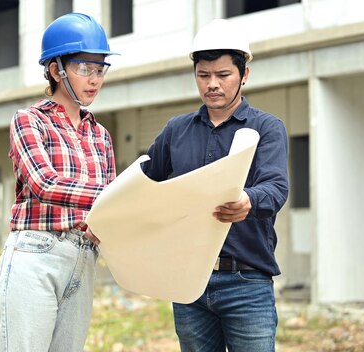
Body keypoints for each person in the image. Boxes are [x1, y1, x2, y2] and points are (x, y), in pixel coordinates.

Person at [141, 19, 289, 352]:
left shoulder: (267, 128)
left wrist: (248, 201)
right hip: (189, 282)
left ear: (244, 74)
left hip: (246, 283)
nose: (212, 85)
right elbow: (142, 184)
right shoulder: (176, 132)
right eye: (203, 75)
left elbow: (276, 186)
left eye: (223, 75)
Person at [0, 13, 117, 352]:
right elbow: (44, 183)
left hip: (83, 258)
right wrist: (113, 197)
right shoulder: (30, 120)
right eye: (84, 68)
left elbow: (108, 209)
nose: (94, 79)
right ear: (55, 69)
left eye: (100, 69)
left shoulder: (100, 135)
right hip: (36, 255)